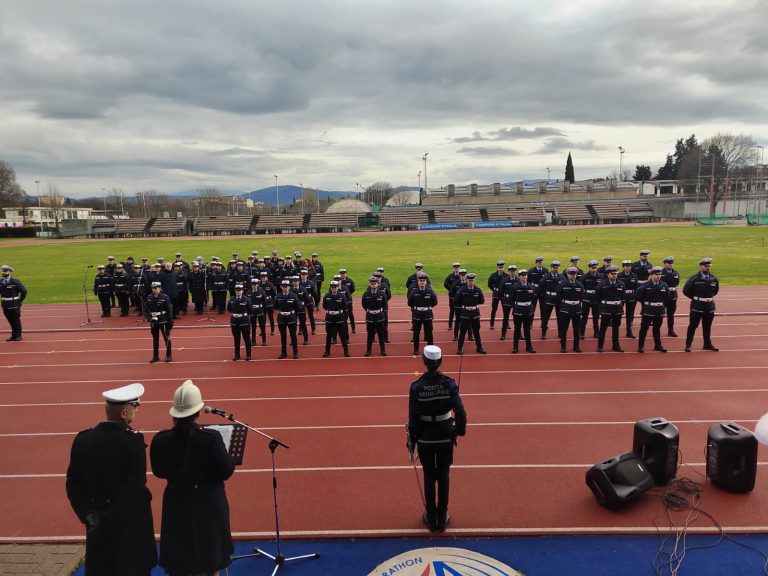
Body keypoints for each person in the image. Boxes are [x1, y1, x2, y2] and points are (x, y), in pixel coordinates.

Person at [66, 383, 157, 576]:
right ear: (124, 413)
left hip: (96, 526)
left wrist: (87, 515)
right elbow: (135, 487)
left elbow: (73, 484)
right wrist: (114, 518)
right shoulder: (133, 441)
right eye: (135, 406)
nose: (137, 410)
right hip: (128, 530)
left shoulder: (83, 439)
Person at [150, 380, 235, 576]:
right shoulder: (211, 438)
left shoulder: (161, 440)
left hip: (177, 504)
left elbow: (159, 471)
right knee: (210, 560)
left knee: (181, 561)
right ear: (197, 412)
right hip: (208, 505)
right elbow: (226, 471)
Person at [407, 345, 467, 532]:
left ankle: (430, 517)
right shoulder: (449, 384)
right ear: (440, 362)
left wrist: (413, 440)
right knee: (443, 475)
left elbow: (413, 417)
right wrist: (459, 431)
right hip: (445, 436)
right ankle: (442, 516)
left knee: (429, 476)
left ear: (424, 362)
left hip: (425, 437)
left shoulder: (416, 387)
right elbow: (461, 412)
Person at [683, 257, 720, 352]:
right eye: (706, 266)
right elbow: (686, 291)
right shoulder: (694, 278)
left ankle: (707, 344)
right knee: (693, 325)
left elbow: (715, 291)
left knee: (707, 326)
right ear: (701, 266)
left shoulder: (714, 279)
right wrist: (696, 299)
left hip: (709, 306)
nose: (708, 267)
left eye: (709, 266)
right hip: (697, 306)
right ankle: (688, 344)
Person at [636, 266, 670, 353]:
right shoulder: (645, 285)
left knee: (657, 329)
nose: (658, 276)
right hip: (648, 310)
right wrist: (646, 303)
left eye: (660, 274)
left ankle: (658, 345)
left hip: (659, 310)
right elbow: (638, 296)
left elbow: (667, 298)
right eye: (656, 274)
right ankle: (641, 345)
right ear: (651, 275)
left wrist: (662, 306)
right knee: (644, 328)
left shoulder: (664, 285)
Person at [454, 273, 486, 355]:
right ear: (466, 280)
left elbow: (482, 301)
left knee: (476, 332)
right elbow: (456, 301)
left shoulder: (478, 290)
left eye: (472, 280)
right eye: (469, 280)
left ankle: (479, 347)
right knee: (463, 332)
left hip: (475, 313)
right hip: (465, 313)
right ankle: (460, 348)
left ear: (474, 280)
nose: (471, 282)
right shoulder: (461, 290)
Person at [596, 266, 626, 353]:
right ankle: (600, 346)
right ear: (608, 274)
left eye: (616, 274)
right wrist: (601, 309)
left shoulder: (621, 284)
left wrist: (620, 306)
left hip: (617, 309)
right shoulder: (602, 284)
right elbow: (598, 298)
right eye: (612, 274)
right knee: (603, 328)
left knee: (616, 328)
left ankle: (616, 345)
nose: (614, 276)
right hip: (606, 309)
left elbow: (623, 298)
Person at [407, 272, 437, 356]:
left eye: (424, 280)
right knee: (416, 332)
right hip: (417, 313)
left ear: (426, 282)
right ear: (418, 281)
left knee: (429, 332)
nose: (422, 282)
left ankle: (430, 349)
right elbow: (410, 302)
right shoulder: (414, 291)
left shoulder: (430, 291)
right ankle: (416, 349)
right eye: (420, 281)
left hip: (427, 313)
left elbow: (435, 302)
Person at [144, 281, 174, 363]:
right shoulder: (149, 297)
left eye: (155, 288)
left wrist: (170, 322)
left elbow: (169, 310)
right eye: (152, 288)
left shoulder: (165, 297)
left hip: (163, 320)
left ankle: (168, 355)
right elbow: (146, 310)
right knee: (155, 339)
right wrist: (150, 318)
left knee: (166, 338)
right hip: (154, 321)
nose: (154, 290)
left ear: (160, 288)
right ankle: (155, 356)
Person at [556, 266, 584, 353]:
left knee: (577, 329)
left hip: (576, 308)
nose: (573, 275)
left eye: (574, 274)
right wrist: (562, 308)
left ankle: (576, 346)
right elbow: (558, 298)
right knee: (564, 329)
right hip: (566, 308)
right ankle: (563, 346)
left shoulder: (580, 284)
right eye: (571, 274)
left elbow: (582, 296)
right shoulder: (562, 284)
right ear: (567, 275)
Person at [510, 270, 536, 353]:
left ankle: (529, 346)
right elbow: (511, 298)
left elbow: (533, 298)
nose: (524, 277)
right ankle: (515, 346)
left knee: (527, 330)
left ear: (527, 276)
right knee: (517, 330)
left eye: (525, 275)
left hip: (528, 310)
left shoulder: (531, 287)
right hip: (518, 310)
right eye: (522, 275)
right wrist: (516, 307)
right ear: (519, 277)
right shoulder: (515, 287)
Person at [362, 275, 389, 356]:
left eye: (375, 283)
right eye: (372, 284)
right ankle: (368, 351)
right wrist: (369, 311)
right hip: (370, 315)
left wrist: (379, 311)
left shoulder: (382, 293)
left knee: (381, 334)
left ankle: (383, 350)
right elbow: (364, 304)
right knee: (370, 334)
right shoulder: (366, 294)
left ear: (377, 284)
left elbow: (385, 304)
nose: (373, 285)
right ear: (370, 284)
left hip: (379, 315)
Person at [274, 279, 302, 359]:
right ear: (281, 287)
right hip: (282, 317)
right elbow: (275, 306)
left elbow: (298, 307)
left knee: (293, 335)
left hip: (291, 318)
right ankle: (283, 352)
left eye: (286, 287)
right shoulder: (278, 296)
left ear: (289, 287)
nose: (285, 288)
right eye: (283, 287)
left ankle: (295, 352)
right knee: (283, 336)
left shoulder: (293, 296)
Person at [322, 280, 350, 357]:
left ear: (337, 287)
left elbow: (345, 307)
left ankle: (346, 351)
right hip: (330, 317)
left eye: (335, 287)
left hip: (339, 318)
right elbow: (324, 306)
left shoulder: (342, 296)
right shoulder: (327, 296)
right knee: (329, 335)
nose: (333, 289)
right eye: (332, 287)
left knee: (342, 335)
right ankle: (327, 351)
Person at [1, 264, 27, 341]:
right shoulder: (1, 282)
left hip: (13, 304)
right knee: (10, 320)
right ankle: (13, 335)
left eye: (5, 271)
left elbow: (24, 291)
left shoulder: (15, 282)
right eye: (3, 271)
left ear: (10, 272)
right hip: (5, 304)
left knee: (15, 320)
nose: (3, 272)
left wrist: (20, 301)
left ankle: (18, 335)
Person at [538, 261, 562, 339]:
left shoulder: (561, 277)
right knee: (546, 317)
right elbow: (541, 286)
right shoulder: (546, 277)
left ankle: (560, 333)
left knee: (560, 317)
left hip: (558, 299)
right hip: (548, 298)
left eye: (556, 268)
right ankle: (543, 333)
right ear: (551, 268)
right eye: (554, 268)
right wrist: (545, 295)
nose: (555, 269)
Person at [227, 284, 252, 361]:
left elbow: (250, 310)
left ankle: (248, 354)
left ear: (242, 291)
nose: (238, 292)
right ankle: (237, 355)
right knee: (236, 339)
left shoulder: (246, 299)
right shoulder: (231, 299)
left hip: (244, 320)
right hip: (235, 321)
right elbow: (229, 309)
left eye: (239, 290)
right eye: (236, 290)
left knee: (246, 338)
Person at [660, 256, 681, 337]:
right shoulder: (661, 272)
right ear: (665, 264)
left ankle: (671, 330)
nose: (671, 265)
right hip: (664, 294)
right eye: (669, 263)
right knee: (660, 313)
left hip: (673, 294)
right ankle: (657, 328)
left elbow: (677, 283)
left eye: (671, 263)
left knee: (671, 314)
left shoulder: (676, 272)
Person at [618, 260, 638, 338]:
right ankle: (617, 328)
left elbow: (636, 287)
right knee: (619, 313)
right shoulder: (619, 275)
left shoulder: (634, 275)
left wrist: (634, 295)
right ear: (623, 267)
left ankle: (629, 332)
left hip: (631, 296)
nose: (628, 267)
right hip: (622, 296)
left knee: (629, 314)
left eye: (629, 266)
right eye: (626, 266)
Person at [487, 260, 506, 330]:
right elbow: (489, 284)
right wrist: (494, 289)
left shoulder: (506, 275)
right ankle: (492, 324)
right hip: (496, 295)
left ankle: (506, 323)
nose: (501, 269)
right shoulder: (493, 275)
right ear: (497, 268)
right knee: (494, 309)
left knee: (505, 310)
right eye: (499, 267)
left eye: (502, 267)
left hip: (503, 295)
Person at [443, 263, 462, 330]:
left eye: (457, 267)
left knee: (461, 311)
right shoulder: (450, 276)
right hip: (452, 297)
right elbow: (445, 284)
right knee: (452, 311)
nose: (456, 268)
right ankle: (450, 324)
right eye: (455, 267)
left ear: (459, 267)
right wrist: (451, 289)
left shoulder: (462, 276)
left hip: (461, 298)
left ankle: (460, 324)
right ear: (453, 268)